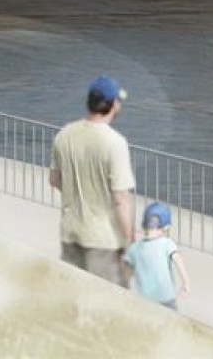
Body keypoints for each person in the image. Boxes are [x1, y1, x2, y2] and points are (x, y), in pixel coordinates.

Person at [48, 76, 135, 285]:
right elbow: (121, 198)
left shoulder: (64, 135)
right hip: (104, 240)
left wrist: (81, 196)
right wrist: (131, 240)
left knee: (75, 295)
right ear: (113, 105)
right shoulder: (115, 143)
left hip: (70, 234)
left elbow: (54, 179)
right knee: (108, 302)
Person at [123, 201, 191, 310]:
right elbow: (178, 260)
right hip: (166, 297)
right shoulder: (167, 243)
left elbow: (126, 273)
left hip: (144, 299)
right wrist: (186, 282)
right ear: (166, 227)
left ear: (143, 225)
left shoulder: (134, 249)